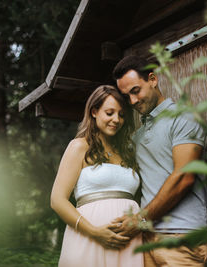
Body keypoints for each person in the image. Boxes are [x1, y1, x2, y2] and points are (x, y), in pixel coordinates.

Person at [111, 55, 207, 266]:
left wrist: (139, 220)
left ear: (153, 80)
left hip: (181, 237)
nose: (133, 101)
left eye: (136, 91)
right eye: (126, 96)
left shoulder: (184, 117)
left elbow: (184, 177)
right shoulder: (137, 135)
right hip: (146, 239)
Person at [51, 85, 144, 267]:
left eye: (121, 115)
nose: (116, 120)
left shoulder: (128, 152)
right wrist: (95, 232)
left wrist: (139, 220)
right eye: (109, 113)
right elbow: (57, 200)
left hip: (128, 240)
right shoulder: (79, 147)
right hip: (89, 237)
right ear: (94, 112)